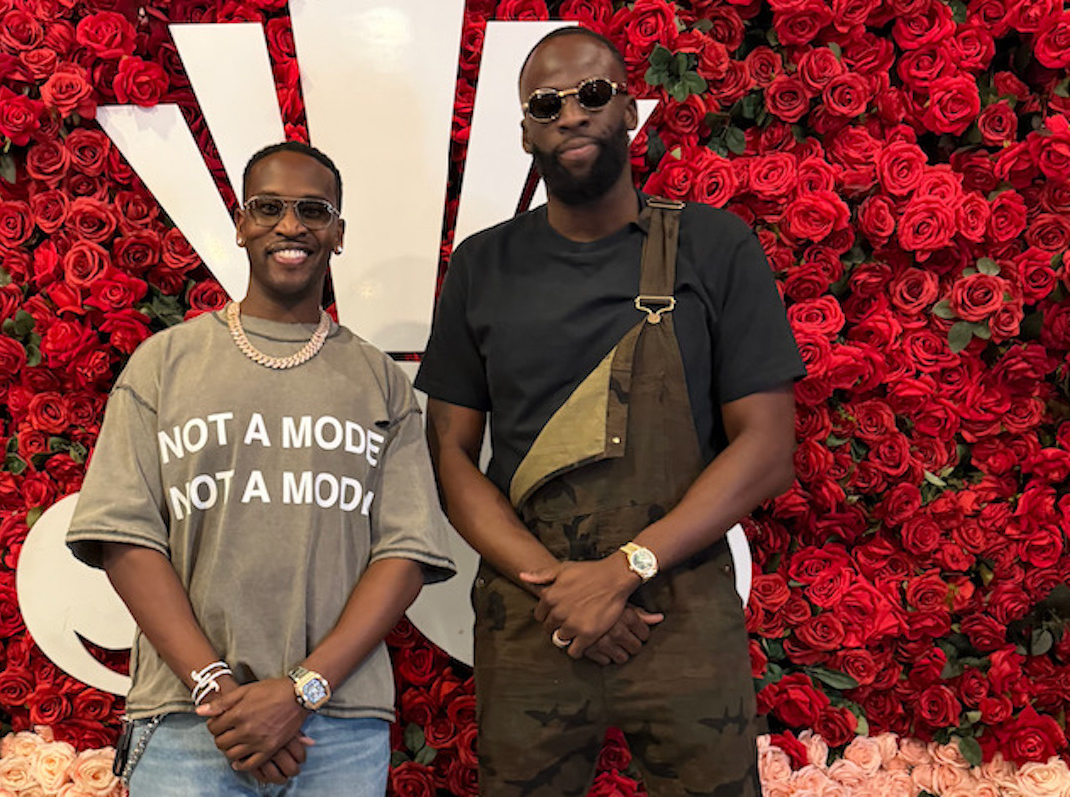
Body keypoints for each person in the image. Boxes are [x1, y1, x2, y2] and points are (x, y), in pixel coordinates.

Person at [416, 27, 804, 797]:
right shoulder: (483, 266)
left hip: (681, 609)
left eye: (593, 93)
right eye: (546, 103)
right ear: (525, 128)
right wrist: (566, 585)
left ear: (629, 107)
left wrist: (628, 568)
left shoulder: (713, 245)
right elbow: (450, 455)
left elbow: (766, 445)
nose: (571, 113)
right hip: (536, 615)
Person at [67, 140, 455, 796]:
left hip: (337, 724)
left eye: (313, 209)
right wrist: (216, 688)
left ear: (338, 232)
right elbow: (125, 535)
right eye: (268, 207)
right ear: (242, 223)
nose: (290, 224)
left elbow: (406, 552)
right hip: (189, 721)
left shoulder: (378, 380)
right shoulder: (164, 364)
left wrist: (302, 691)